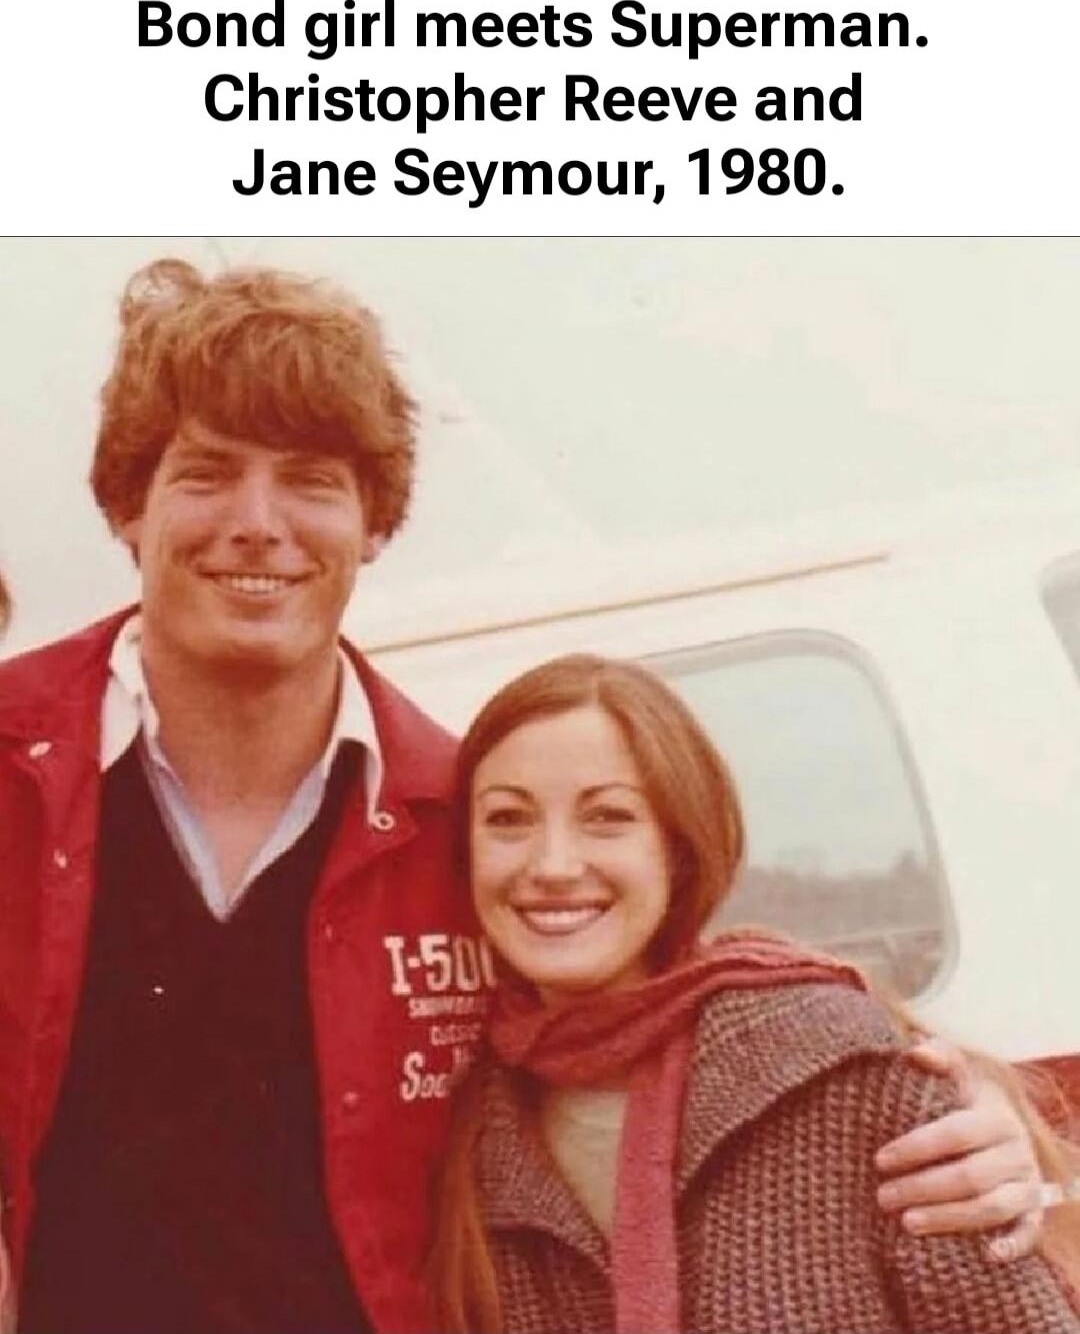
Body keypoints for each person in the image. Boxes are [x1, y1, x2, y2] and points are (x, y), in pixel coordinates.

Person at [0, 260, 1054, 1333]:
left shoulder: (464, 822)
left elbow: (666, 1006)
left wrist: (965, 1108)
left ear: (374, 523)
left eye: (311, 480)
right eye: (207, 473)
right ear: (128, 505)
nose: (258, 523)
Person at [432, 652, 1080, 1334]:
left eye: (608, 817)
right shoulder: (463, 1127)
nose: (553, 865)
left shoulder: (852, 1077)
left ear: (678, 848)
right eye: (508, 819)